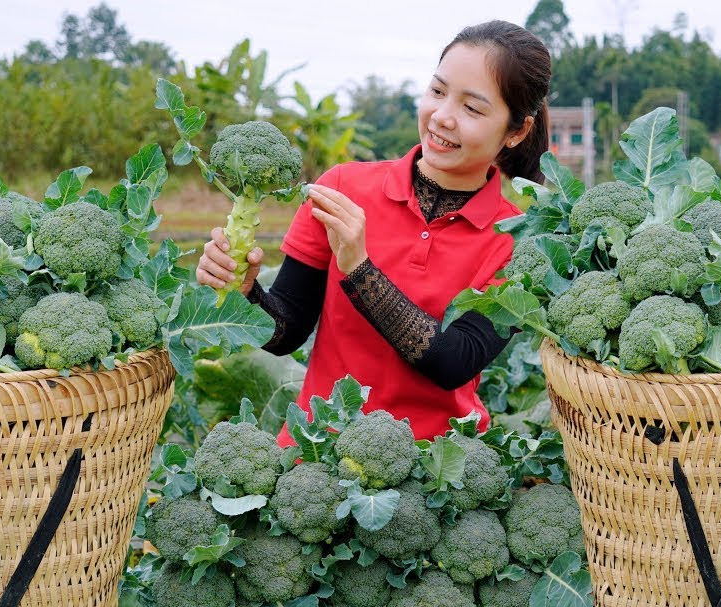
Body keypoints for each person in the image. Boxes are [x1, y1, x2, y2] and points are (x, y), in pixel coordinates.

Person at [196, 19, 551, 442]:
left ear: (517, 130)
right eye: (437, 92)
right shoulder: (343, 188)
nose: (442, 117)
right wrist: (245, 292)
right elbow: (286, 332)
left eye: (471, 108)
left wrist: (360, 267)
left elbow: (454, 362)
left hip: (437, 470)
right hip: (317, 453)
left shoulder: (518, 239)